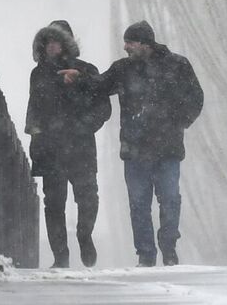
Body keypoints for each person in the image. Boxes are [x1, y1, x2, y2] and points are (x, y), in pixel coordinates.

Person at [82, 20, 204, 267]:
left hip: (157, 147)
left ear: (143, 43)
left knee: (165, 200)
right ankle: (148, 252)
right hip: (144, 148)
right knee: (146, 203)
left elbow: (195, 97)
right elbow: (98, 85)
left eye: (130, 42)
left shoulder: (175, 65)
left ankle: (164, 248)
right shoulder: (126, 69)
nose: (126, 47)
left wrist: (179, 121)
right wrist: (79, 76)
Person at [24, 20, 111, 268]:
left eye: (57, 41)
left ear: (67, 43)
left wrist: (84, 126)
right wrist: (35, 135)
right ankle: (60, 256)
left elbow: (103, 107)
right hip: (50, 149)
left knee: (87, 198)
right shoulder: (38, 73)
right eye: (48, 42)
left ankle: (84, 235)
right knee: (54, 203)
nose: (52, 47)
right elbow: (34, 108)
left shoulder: (86, 70)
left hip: (80, 146)